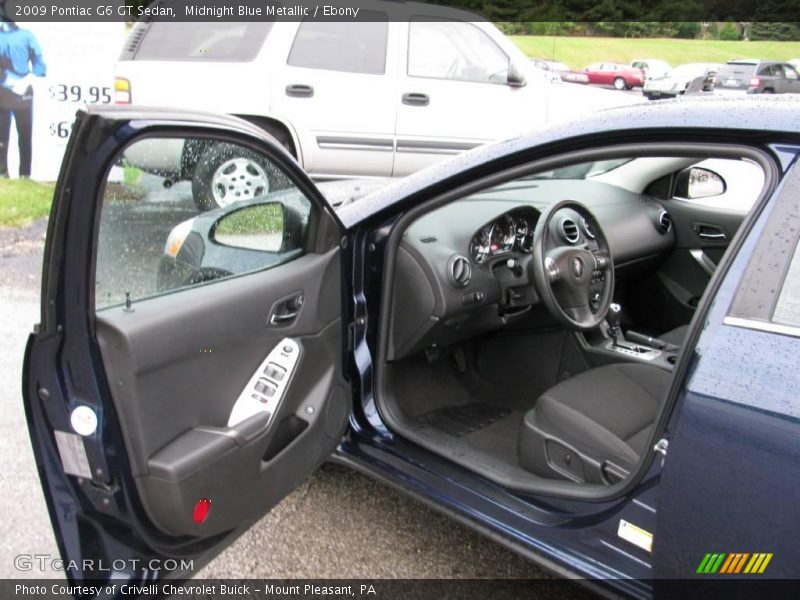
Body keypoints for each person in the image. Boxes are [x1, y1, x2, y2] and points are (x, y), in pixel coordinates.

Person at [0, 21, 46, 178]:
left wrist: (27, 81)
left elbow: (40, 64)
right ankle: (2, 173)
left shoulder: (27, 36)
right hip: (2, 94)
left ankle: (25, 174)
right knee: (1, 136)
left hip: (23, 94)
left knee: (25, 135)